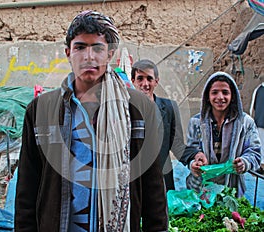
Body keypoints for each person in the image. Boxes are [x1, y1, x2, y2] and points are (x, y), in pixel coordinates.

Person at [15, 10, 168, 232]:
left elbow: (153, 184)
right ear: (68, 53)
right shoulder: (41, 110)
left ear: (110, 54)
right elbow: (27, 189)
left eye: (97, 47)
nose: (89, 56)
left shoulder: (138, 109)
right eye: (80, 47)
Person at [130, 59, 204, 191]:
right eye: (140, 78)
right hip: (134, 181)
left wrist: (194, 155)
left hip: (162, 179)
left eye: (149, 79)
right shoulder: (126, 109)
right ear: (133, 81)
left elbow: (177, 145)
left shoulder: (169, 108)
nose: (145, 84)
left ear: (156, 81)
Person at [186, 71, 261, 197]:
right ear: (207, 97)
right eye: (214, 92)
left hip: (231, 191)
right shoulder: (196, 122)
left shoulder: (245, 123)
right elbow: (191, 150)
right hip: (199, 189)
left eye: (225, 92)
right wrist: (194, 163)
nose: (220, 97)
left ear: (232, 96)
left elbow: (255, 152)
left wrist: (244, 162)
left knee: (230, 217)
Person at [249, 77, 264, 173]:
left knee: (261, 147)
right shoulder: (258, 89)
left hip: (259, 122)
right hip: (259, 123)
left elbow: (251, 109)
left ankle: (261, 166)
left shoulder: (258, 89)